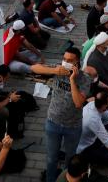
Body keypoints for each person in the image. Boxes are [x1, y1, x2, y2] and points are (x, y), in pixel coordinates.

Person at [31, 47, 92, 182]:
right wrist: (53, 70)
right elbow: (34, 68)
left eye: (70, 60)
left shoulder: (85, 79)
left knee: (70, 159)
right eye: (64, 59)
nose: (65, 62)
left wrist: (71, 80)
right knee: (52, 158)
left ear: (77, 63)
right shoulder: (58, 70)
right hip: (53, 122)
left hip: (73, 126)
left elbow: (78, 103)